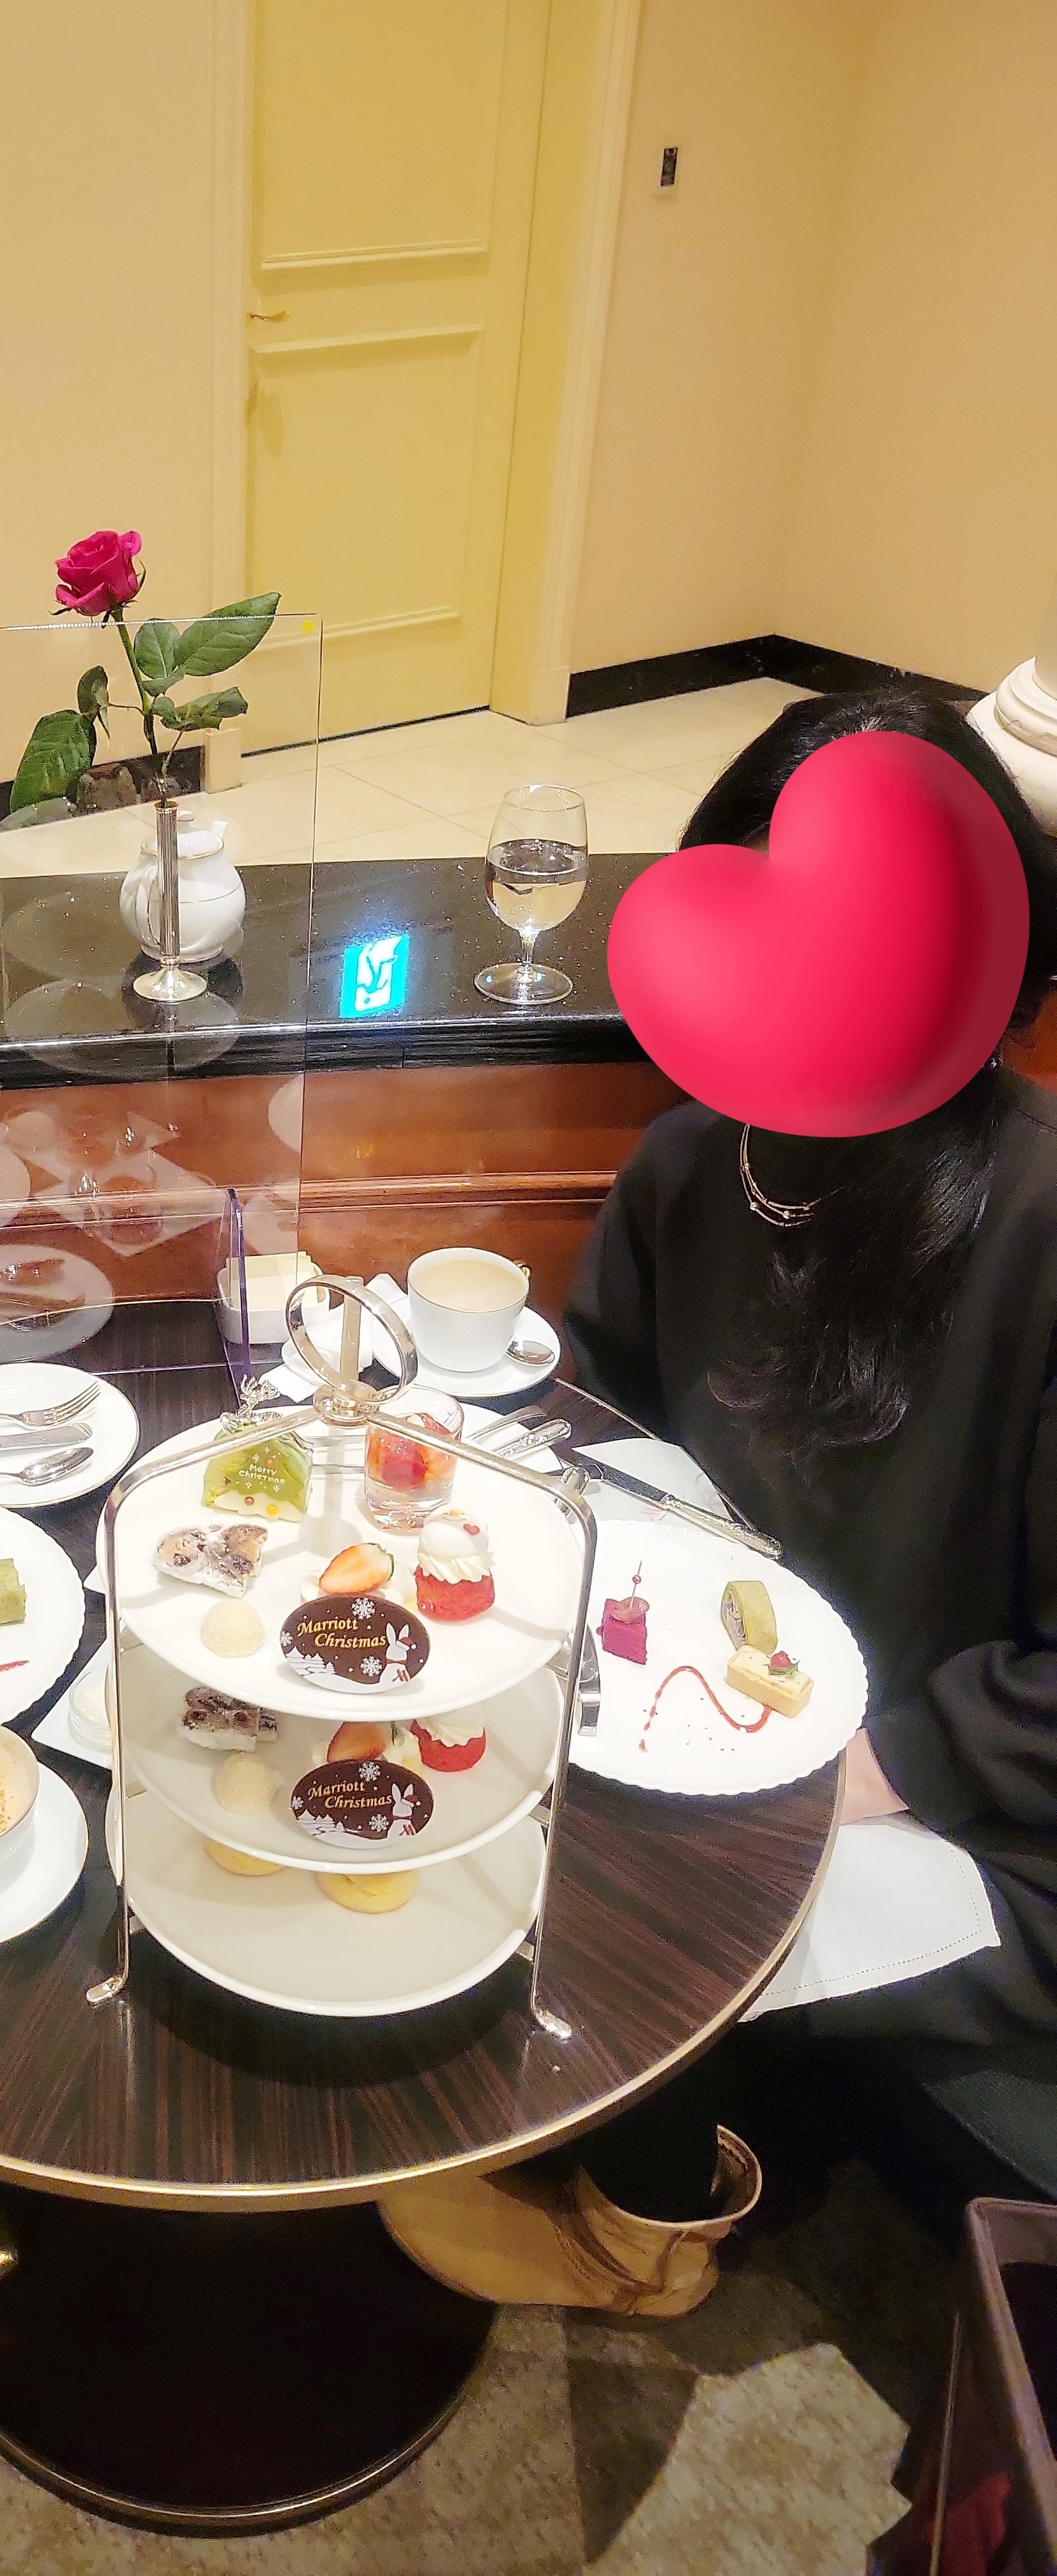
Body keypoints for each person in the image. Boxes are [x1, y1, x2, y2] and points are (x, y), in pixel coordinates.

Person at [383, 686, 1057, 2313]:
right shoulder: (694, 1163)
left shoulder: (1042, 1217)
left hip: (984, 1801)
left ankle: (647, 2238)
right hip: (715, 1709)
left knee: (641, 1913)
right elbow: (610, 1443)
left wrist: (870, 1769)